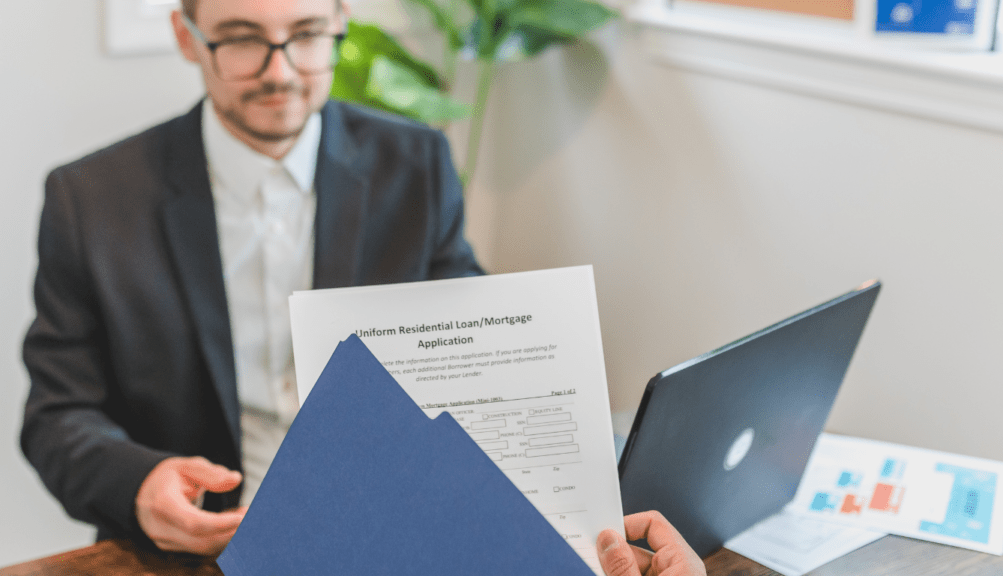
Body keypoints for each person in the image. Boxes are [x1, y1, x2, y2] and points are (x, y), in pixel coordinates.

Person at [20, 0, 707, 573]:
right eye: (240, 40)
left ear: (341, 20)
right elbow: (57, 416)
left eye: (309, 36)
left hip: (392, 529)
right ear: (186, 36)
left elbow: (475, 354)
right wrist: (139, 484)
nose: (280, 70)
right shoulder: (92, 199)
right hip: (202, 549)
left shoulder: (417, 163)